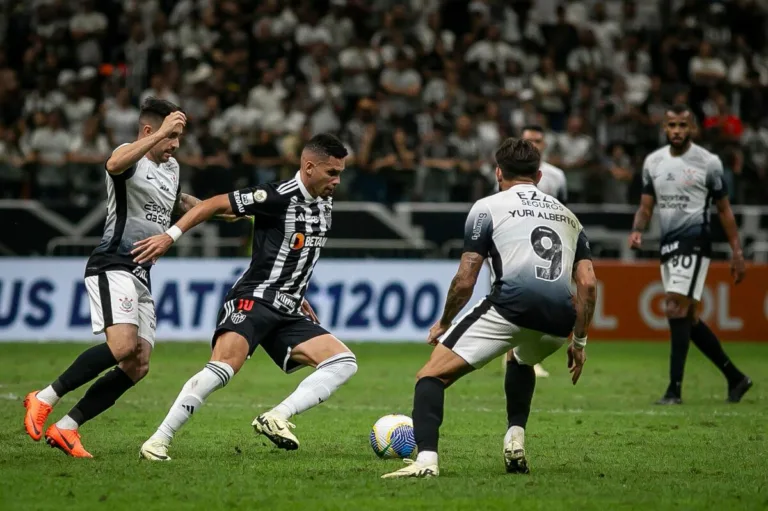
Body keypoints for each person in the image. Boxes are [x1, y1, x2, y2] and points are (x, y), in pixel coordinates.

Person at [132, 133, 358, 461]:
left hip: (289, 307)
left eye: (340, 173)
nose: (337, 181)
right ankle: (158, 440)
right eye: (331, 173)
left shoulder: (323, 200)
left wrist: (297, 290)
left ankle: (276, 416)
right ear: (308, 167)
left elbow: (293, 248)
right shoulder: (276, 195)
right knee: (224, 367)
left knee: (343, 362)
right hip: (254, 299)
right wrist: (170, 236)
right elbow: (216, 204)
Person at [382, 138, 597, 479]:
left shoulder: (487, 207)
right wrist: (580, 342)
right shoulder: (569, 218)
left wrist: (444, 322)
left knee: (430, 377)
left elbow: (466, 278)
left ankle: (425, 462)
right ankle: (515, 436)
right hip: (560, 318)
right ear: (539, 175)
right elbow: (587, 284)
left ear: (498, 172)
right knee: (520, 358)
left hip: (511, 306)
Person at [22, 98, 224, 457]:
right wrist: (161, 132)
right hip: (112, 263)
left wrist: (224, 209)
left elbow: (179, 202)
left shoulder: (171, 168)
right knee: (121, 346)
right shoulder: (128, 155)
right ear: (150, 131)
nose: (176, 144)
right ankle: (44, 397)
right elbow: (113, 164)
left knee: (138, 363)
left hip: (142, 274)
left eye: (178, 137)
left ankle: (68, 428)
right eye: (171, 136)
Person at [628, 104, 752, 405]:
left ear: (693, 128)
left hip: (695, 241)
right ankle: (736, 378)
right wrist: (637, 229)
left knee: (673, 307)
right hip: (668, 244)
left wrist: (737, 252)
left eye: (683, 125)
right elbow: (646, 206)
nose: (677, 131)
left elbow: (724, 209)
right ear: (664, 128)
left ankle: (674, 390)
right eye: (672, 125)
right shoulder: (653, 162)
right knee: (689, 317)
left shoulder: (708, 163)